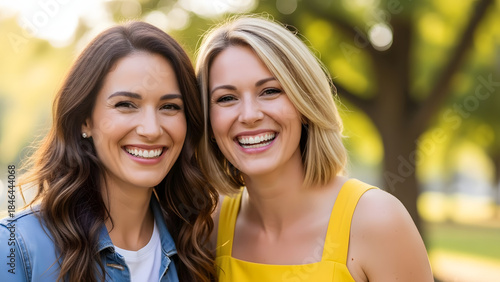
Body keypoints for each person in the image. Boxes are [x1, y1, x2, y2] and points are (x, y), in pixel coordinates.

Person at [195, 16, 433, 281]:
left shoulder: (377, 221)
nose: (249, 115)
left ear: (304, 104)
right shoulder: (211, 227)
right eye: (226, 98)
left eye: (270, 91)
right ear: (208, 120)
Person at [0, 21, 217, 282]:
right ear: (85, 120)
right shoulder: (15, 247)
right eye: (126, 104)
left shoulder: (198, 245)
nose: (151, 129)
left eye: (169, 106)